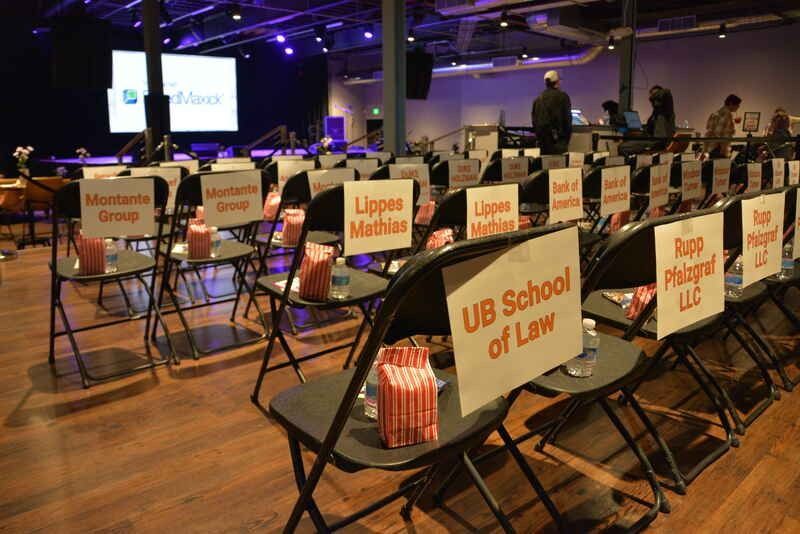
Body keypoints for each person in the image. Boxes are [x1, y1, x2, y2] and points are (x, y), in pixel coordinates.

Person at [618, 85, 676, 156]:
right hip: (651, 140)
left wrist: (653, 96)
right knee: (626, 143)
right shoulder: (655, 114)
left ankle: (644, 158)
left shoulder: (667, 110)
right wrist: (639, 131)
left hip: (659, 142)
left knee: (623, 147)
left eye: (655, 96)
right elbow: (650, 130)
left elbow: (667, 92)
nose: (653, 100)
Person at [531, 70, 572, 155]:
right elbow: (567, 120)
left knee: (545, 165)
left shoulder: (538, 99)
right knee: (558, 166)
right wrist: (565, 140)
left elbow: (534, 121)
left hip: (543, 143)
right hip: (558, 142)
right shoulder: (563, 97)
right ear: (557, 82)